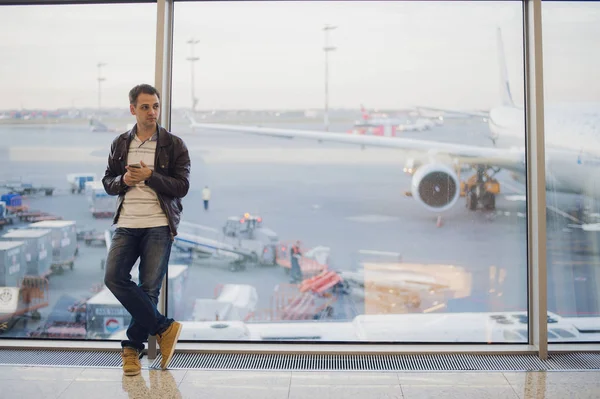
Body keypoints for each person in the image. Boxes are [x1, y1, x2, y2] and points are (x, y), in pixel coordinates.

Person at [102, 84, 191, 376]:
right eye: (145, 107)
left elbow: (182, 187)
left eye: (155, 106)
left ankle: (131, 349)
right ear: (133, 109)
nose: (152, 112)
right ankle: (164, 327)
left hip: (158, 224)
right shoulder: (119, 144)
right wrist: (124, 179)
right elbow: (108, 181)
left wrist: (151, 176)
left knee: (149, 290)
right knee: (113, 277)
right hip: (127, 223)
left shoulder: (174, 144)